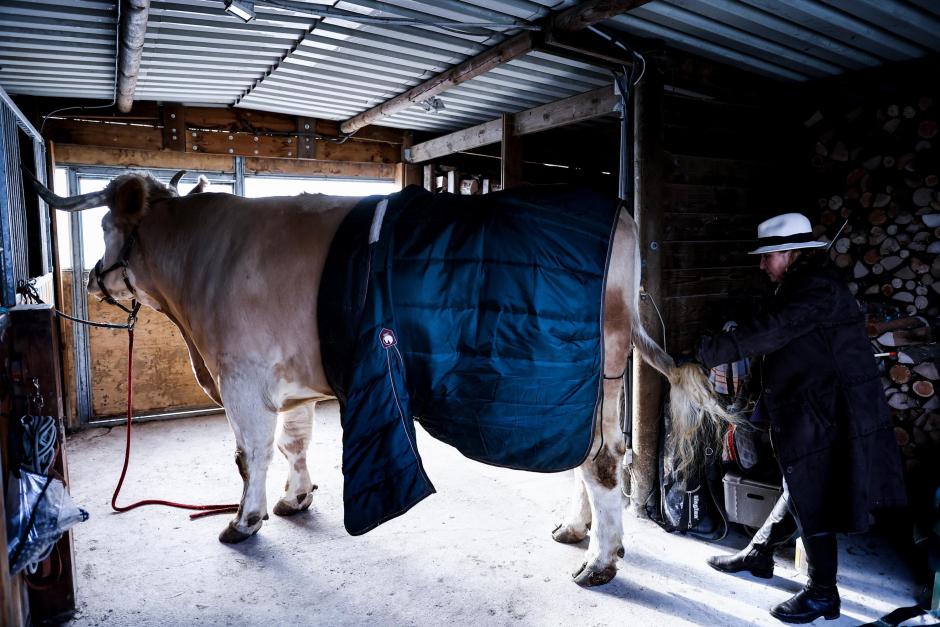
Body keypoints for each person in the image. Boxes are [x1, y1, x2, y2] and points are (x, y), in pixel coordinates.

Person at [692, 213, 907, 624]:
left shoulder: (816, 289)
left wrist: (705, 353)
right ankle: (759, 553)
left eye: (766, 257)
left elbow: (774, 330)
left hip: (833, 408)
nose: (761, 265)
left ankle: (823, 593)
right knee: (801, 483)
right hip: (820, 402)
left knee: (813, 489)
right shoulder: (801, 285)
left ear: (790, 253)